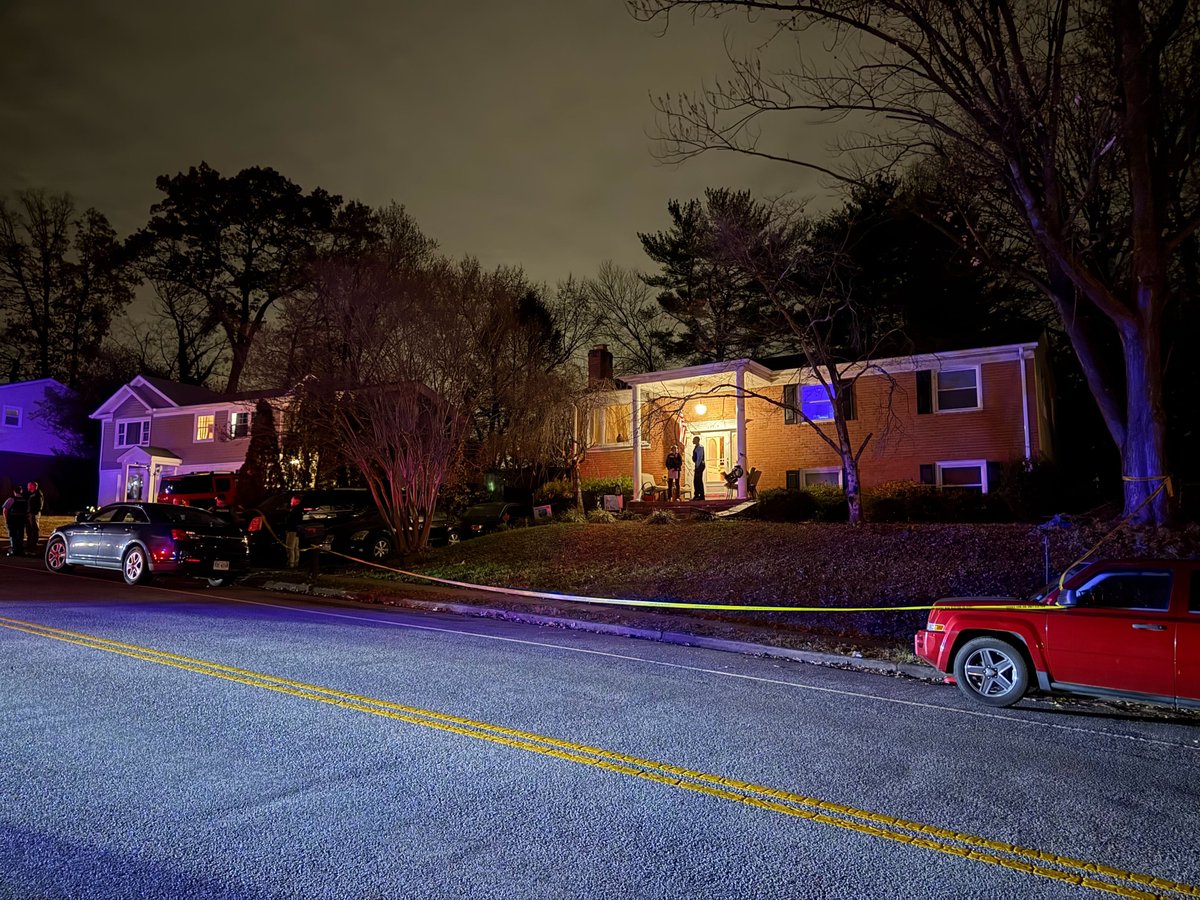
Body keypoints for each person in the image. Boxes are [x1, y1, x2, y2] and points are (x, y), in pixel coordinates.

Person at [4, 486, 27, 557]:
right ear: (21, 491)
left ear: (14, 491)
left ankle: (14, 550)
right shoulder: (25, 500)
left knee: (12, 535)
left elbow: (5, 510)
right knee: (20, 535)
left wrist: (6, 520)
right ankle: (20, 550)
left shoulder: (11, 499)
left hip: (12, 521)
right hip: (21, 520)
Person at [25, 480, 44, 556]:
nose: (27, 487)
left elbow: (40, 504)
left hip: (33, 514)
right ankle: (29, 544)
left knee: (34, 529)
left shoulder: (38, 493)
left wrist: (34, 512)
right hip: (30, 514)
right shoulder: (31, 494)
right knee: (29, 529)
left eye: (28, 485)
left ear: (33, 486)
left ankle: (34, 544)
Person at [285, 495, 304, 569]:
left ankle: (291, 563)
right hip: (296, 531)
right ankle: (296, 562)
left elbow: (291, 521)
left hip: (292, 530)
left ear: (296, 501)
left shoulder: (295, 511)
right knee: (295, 547)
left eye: (292, 501)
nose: (291, 502)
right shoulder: (298, 510)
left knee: (290, 547)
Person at [691, 436, 706, 501]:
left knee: (698, 480)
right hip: (698, 465)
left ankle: (700, 495)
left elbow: (699, 458)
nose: (692, 441)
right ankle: (697, 495)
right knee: (696, 481)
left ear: (697, 440)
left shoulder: (700, 447)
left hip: (700, 465)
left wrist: (697, 466)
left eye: (694, 440)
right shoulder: (696, 447)